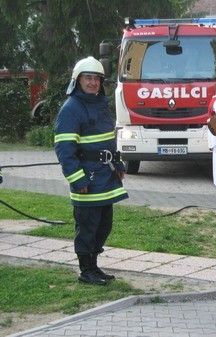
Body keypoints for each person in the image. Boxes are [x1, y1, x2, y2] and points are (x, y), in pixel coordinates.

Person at [54, 56, 129, 286]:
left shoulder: (100, 104)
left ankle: (94, 267)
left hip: (105, 178)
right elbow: (64, 148)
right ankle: (85, 270)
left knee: (102, 225)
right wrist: (77, 179)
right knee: (87, 226)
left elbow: (108, 140)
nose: (93, 83)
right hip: (87, 179)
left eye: (96, 78)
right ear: (77, 80)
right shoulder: (71, 109)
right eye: (88, 78)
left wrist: (117, 163)